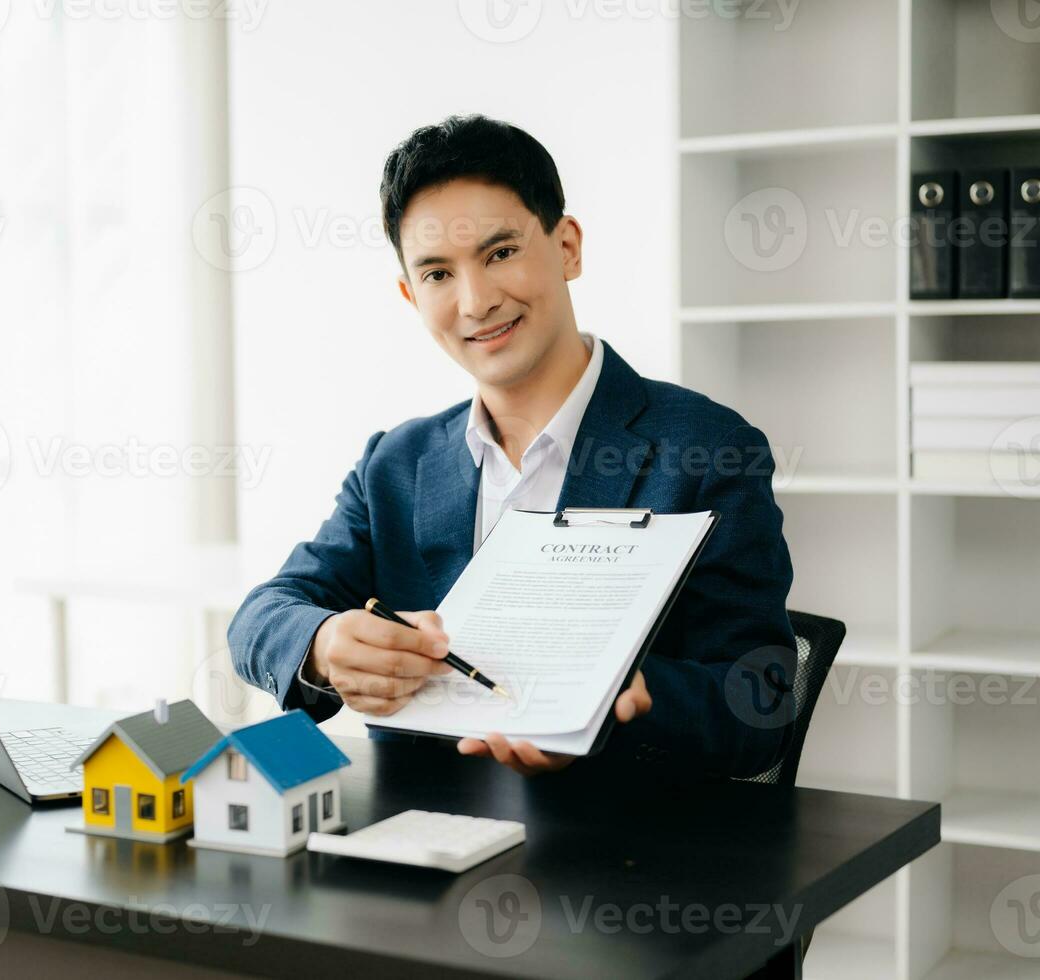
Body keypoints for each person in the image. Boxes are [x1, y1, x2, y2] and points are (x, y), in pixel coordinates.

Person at [227, 115, 796, 779]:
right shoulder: (397, 465)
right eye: (438, 275)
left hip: (622, 855)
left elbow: (762, 704)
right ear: (411, 296)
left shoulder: (706, 449)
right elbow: (260, 619)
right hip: (423, 842)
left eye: (500, 253)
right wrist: (322, 644)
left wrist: (630, 708)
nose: (475, 301)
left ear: (568, 247)